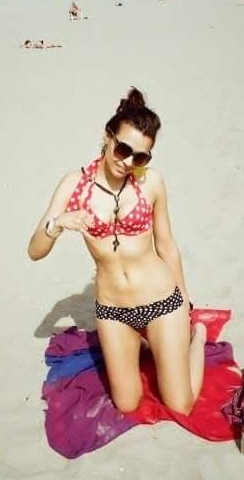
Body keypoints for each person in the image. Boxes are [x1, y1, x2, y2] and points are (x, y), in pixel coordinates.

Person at [28, 87, 207, 415]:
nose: (128, 163)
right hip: (114, 311)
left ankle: (197, 339)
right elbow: (34, 251)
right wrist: (58, 224)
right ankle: (146, 342)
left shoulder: (151, 183)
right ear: (107, 136)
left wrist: (185, 303)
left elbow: (166, 244)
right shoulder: (73, 185)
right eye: (123, 149)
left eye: (140, 157)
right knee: (127, 403)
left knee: (180, 404)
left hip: (162, 302)